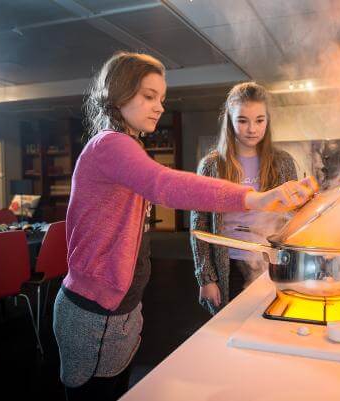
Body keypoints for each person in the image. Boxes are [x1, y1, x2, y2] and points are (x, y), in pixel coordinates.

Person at [52, 52, 317, 401]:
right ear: (119, 94)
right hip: (95, 311)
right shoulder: (110, 145)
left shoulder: (123, 145)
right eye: (149, 96)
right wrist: (255, 198)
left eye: (161, 99)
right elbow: (165, 185)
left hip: (120, 308)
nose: (159, 107)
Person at [191, 82, 298, 314]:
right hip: (226, 264)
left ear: (267, 121)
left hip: (270, 263)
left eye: (259, 120)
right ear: (230, 120)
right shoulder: (211, 165)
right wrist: (205, 278)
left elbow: (293, 220)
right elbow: (199, 226)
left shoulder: (283, 162)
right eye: (242, 120)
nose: (252, 129)